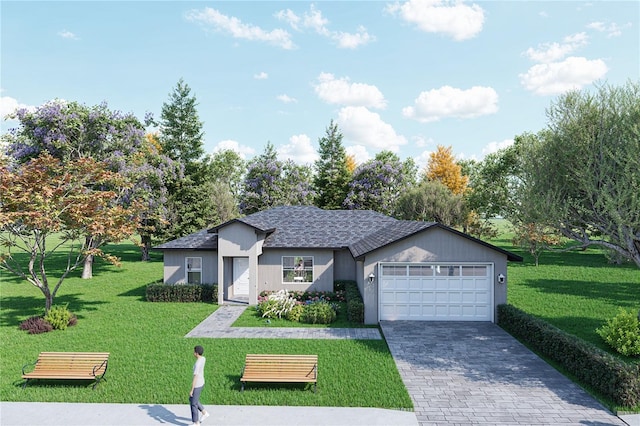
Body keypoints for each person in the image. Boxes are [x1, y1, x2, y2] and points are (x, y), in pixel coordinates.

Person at [189, 345, 209, 425]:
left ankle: (196, 422)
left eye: (194, 352)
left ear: (196, 353)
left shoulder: (197, 364)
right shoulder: (203, 358)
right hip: (202, 382)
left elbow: (195, 377)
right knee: (193, 400)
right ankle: (204, 413)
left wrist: (192, 390)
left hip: (197, 385)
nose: (193, 353)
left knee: (193, 403)